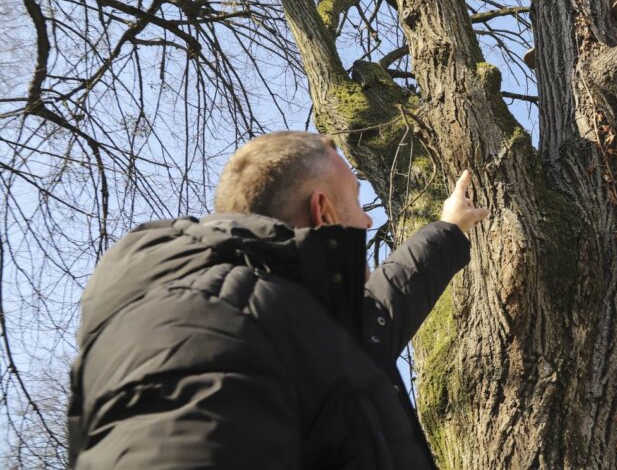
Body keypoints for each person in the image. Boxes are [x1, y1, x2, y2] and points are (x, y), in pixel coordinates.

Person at [67, 130, 488, 469]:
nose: (367, 219)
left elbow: (381, 309)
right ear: (322, 211)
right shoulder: (204, 316)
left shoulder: (281, 315)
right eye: (357, 201)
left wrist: (449, 228)